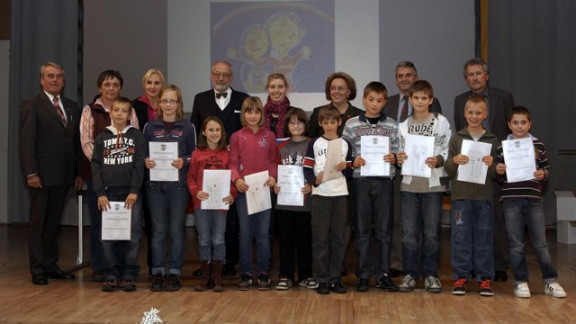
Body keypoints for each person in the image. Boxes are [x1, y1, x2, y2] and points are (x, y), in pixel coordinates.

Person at [19, 62, 83, 285]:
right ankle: (37, 269)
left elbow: (74, 143)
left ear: (63, 81)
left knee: (53, 224)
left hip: (65, 176)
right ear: (42, 80)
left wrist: (77, 173)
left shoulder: (72, 107)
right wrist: (31, 173)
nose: (54, 80)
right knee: (39, 224)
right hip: (42, 176)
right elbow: (26, 142)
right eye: (50, 76)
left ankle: (50, 264)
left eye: (58, 76)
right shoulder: (32, 105)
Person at [454, 58, 515, 282]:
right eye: (470, 74)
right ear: (466, 78)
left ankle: (498, 265)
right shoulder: (459, 100)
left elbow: (510, 131)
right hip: (471, 169)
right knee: (470, 222)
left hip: (496, 167)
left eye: (478, 73)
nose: (475, 77)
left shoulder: (504, 97)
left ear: (486, 76)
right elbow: (461, 134)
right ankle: (469, 267)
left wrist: (503, 163)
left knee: (496, 220)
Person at [495, 106, 566, 299]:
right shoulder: (502, 147)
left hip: (533, 200)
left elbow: (546, 169)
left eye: (523, 122)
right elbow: (498, 175)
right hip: (511, 200)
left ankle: (550, 281)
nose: (519, 126)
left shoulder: (539, 146)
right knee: (516, 244)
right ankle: (520, 282)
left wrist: (543, 174)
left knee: (541, 243)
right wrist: (499, 170)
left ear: (530, 123)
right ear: (509, 125)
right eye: (515, 123)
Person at [383, 61, 442, 278]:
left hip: (425, 174)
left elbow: (439, 142)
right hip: (393, 169)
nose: (404, 79)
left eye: (409, 75)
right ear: (396, 79)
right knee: (399, 220)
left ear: (415, 78)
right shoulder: (387, 103)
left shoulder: (435, 109)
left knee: (427, 227)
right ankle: (399, 263)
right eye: (400, 76)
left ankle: (425, 270)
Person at [190, 60, 249, 278]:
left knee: (230, 218)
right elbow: (195, 129)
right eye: (217, 74)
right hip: (206, 169)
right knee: (206, 221)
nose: (221, 78)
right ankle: (207, 265)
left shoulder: (243, 99)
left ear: (231, 77)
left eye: (225, 75)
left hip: (234, 167)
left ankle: (227, 263)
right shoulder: (200, 98)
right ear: (211, 76)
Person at [79, 70, 139, 281]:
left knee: (125, 226)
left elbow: (135, 144)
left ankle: (123, 268)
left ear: (120, 88)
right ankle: (101, 267)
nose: (111, 88)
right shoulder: (90, 110)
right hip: (101, 179)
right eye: (107, 84)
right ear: (100, 87)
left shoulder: (129, 110)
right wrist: (105, 164)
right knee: (100, 224)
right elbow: (86, 141)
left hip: (125, 178)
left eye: (115, 84)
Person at [342, 81, 400, 293]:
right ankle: (364, 275)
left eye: (379, 100)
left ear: (385, 102)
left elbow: (399, 152)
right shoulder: (351, 124)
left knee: (384, 232)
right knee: (362, 231)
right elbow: (344, 153)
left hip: (385, 182)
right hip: (361, 182)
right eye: (371, 99)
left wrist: (394, 157)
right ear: (364, 100)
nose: (375, 104)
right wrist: (353, 161)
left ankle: (383, 274)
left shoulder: (393, 125)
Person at [396, 80, 451, 293]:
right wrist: (399, 158)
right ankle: (409, 274)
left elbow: (449, 148)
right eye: (416, 98)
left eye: (424, 98)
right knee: (409, 234)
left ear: (431, 99)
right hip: (410, 186)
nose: (420, 102)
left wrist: (439, 159)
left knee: (431, 234)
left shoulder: (441, 121)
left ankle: (430, 275)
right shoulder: (404, 125)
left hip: (433, 186)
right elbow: (400, 153)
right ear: (410, 100)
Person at [308, 72, 362, 277]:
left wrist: (348, 166)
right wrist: (314, 178)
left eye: (341, 87)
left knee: (343, 227)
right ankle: (323, 274)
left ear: (349, 91)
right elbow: (313, 145)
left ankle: (337, 268)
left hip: (344, 183)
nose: (337, 91)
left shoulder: (358, 114)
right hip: (321, 186)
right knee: (322, 232)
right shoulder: (317, 113)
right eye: (333, 87)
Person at [143, 84, 196, 292]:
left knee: (175, 231)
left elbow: (194, 154)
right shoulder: (149, 127)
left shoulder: (187, 126)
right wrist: (146, 161)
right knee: (157, 231)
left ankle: (174, 272)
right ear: (159, 103)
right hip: (154, 186)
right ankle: (157, 272)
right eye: (165, 100)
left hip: (178, 187)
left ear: (178, 103)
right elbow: (143, 155)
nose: (168, 104)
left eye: (172, 100)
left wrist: (185, 160)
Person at [444, 94, 498, 297]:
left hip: (484, 198)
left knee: (484, 237)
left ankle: (485, 278)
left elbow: (496, 175)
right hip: (461, 197)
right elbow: (448, 169)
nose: (474, 116)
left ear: (485, 114)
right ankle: (461, 276)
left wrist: (492, 165)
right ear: (464, 114)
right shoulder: (457, 138)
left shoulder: (492, 140)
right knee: (461, 237)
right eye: (470, 112)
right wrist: (455, 160)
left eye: (478, 113)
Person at [91, 97, 146, 292]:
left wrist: (134, 191)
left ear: (130, 115)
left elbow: (140, 164)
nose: (120, 114)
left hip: (131, 195)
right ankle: (111, 274)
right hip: (108, 195)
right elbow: (95, 166)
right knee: (108, 237)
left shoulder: (138, 136)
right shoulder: (101, 138)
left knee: (133, 236)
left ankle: (129, 274)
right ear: (110, 113)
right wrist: (99, 193)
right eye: (117, 110)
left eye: (124, 111)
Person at [304, 105, 353, 295]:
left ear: (339, 122)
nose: (330, 126)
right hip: (321, 195)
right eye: (326, 122)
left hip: (340, 194)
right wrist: (313, 180)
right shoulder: (314, 143)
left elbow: (349, 171)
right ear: (320, 123)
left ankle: (335, 279)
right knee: (320, 239)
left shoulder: (345, 143)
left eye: (333, 122)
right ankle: (321, 279)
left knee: (339, 238)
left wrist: (345, 167)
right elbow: (307, 168)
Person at [230, 97, 277, 290]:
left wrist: (273, 177)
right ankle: (246, 273)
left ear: (261, 115)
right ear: (244, 114)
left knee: (263, 234)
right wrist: (237, 179)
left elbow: (274, 161)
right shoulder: (236, 137)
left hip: (265, 190)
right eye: (249, 112)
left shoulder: (270, 136)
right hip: (244, 193)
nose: (252, 115)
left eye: (256, 112)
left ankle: (264, 272)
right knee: (245, 233)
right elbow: (232, 163)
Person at [188, 116, 236, 292]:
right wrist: (196, 192)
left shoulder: (227, 154)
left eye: (217, 130)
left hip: (221, 204)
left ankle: (218, 278)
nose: (214, 133)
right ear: (204, 132)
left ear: (222, 132)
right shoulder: (197, 153)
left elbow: (232, 178)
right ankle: (205, 277)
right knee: (204, 240)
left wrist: (233, 194)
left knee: (218, 240)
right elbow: (191, 178)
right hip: (201, 204)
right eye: (211, 130)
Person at [273, 108, 315, 290]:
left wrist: (313, 185)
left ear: (305, 125)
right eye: (292, 123)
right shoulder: (280, 146)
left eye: (299, 122)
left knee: (306, 240)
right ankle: (285, 275)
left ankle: (306, 275)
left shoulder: (313, 144)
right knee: (286, 240)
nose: (296, 126)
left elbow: (318, 169)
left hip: (306, 202)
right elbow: (275, 169)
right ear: (286, 126)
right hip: (285, 202)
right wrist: (275, 183)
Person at [133, 68, 165, 276]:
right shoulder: (135, 106)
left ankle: (157, 266)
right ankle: (132, 267)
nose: (153, 86)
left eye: (157, 83)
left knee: (157, 223)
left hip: (164, 170)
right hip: (140, 169)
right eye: (149, 83)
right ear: (144, 85)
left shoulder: (168, 104)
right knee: (137, 224)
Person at [308, 72, 363, 138]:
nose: (336, 91)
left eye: (340, 88)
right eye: (333, 88)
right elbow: (310, 139)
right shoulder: (318, 112)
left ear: (348, 92)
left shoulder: (360, 115)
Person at [263, 73, 294, 138]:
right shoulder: (260, 113)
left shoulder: (295, 113)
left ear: (286, 89)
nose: (276, 91)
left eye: (280, 87)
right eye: (272, 87)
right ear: (268, 90)